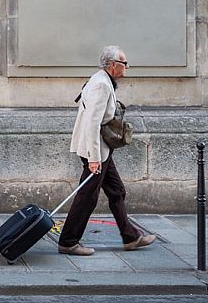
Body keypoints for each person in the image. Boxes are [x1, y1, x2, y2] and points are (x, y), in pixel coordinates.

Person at [58, 45, 156, 256]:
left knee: (116, 190)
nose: (126, 68)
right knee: (87, 197)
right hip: (95, 152)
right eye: (124, 64)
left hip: (102, 150)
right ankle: (68, 241)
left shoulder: (102, 80)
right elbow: (92, 124)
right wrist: (94, 159)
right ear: (113, 65)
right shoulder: (102, 85)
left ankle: (131, 237)